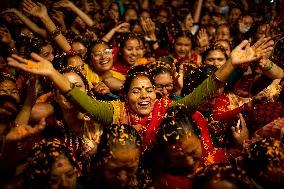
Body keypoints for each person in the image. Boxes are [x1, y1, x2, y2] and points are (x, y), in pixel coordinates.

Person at [7, 36, 274, 151]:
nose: (144, 95)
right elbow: (85, 103)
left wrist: (231, 64)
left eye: (149, 90)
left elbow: (201, 93)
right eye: (137, 91)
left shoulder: (168, 110)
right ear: (125, 95)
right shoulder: (114, 111)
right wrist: (53, 74)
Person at [89, 124, 142, 188]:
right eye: (114, 170)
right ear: (101, 160)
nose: (122, 178)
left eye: (130, 169)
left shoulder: (143, 181)